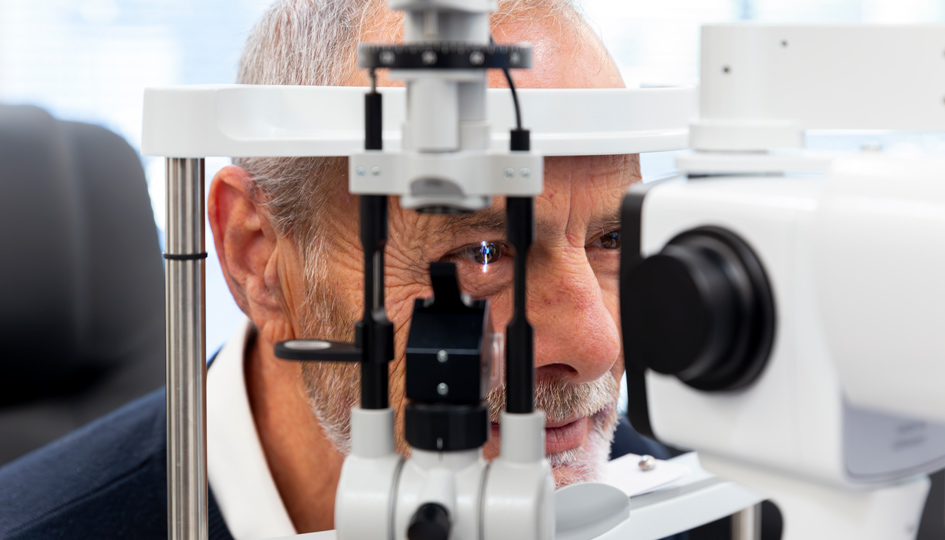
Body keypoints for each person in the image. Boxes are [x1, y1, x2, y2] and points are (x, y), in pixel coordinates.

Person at [0, 1, 670, 538]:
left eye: (611, 237)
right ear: (255, 255)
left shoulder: (691, 500)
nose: (597, 345)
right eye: (481, 254)